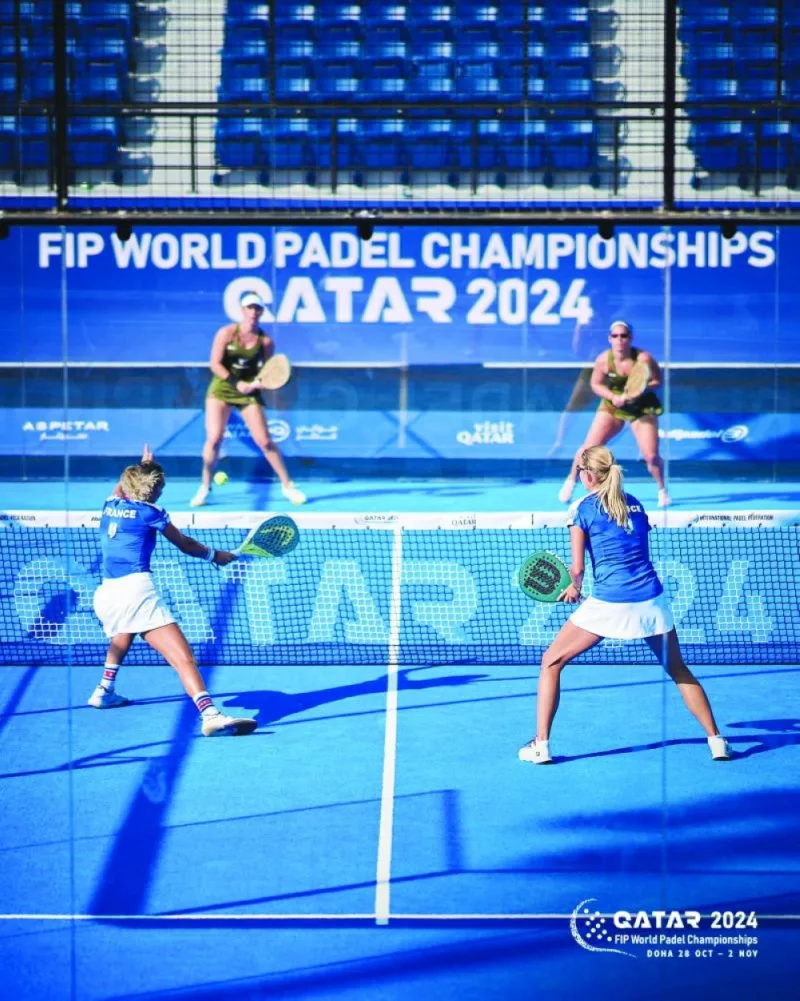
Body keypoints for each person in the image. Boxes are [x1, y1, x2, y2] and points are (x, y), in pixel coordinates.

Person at [520, 445, 730, 765]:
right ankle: (717, 741)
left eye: (579, 472)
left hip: (610, 604)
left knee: (551, 662)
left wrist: (573, 588)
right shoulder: (634, 503)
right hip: (652, 600)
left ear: (587, 475)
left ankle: (541, 745)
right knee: (677, 669)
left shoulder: (582, 509)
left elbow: (577, 569)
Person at [89, 444, 257, 737]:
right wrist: (216, 555)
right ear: (152, 490)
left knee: (125, 630)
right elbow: (186, 544)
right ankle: (210, 715)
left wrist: (142, 465)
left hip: (106, 595)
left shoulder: (110, 503)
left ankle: (104, 690)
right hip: (135, 592)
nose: (163, 492)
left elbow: (122, 485)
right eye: (161, 487)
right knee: (183, 657)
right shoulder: (151, 512)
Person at [190, 291, 306, 508]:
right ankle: (205, 487)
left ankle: (288, 486)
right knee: (214, 438)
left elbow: (270, 371)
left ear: (261, 312)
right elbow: (215, 364)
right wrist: (237, 383)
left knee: (264, 441)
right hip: (222, 389)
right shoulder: (225, 334)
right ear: (242, 310)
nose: (253, 312)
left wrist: (259, 382)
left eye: (257, 308)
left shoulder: (265, 342)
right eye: (249, 307)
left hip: (249, 394)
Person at [557, 320, 671, 508]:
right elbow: (596, 384)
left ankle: (662, 490)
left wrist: (639, 390)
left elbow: (658, 380)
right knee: (586, 450)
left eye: (624, 336)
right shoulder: (603, 360)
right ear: (610, 338)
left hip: (641, 409)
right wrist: (613, 396)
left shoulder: (644, 359)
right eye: (615, 336)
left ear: (630, 338)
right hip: (612, 407)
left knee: (651, 456)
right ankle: (570, 481)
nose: (620, 340)